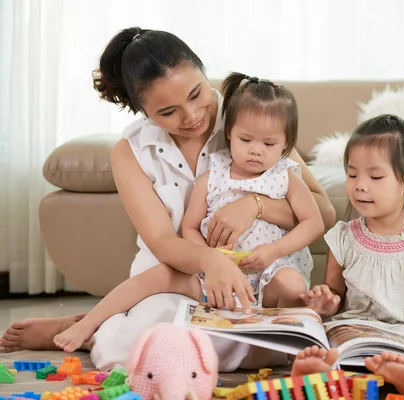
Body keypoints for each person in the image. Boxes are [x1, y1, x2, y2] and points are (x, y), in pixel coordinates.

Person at [0, 27, 335, 372]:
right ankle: (99, 326)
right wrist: (211, 261)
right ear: (142, 111)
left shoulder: (247, 118)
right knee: (136, 353)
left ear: (205, 74)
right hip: (180, 280)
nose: (191, 116)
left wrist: (254, 204)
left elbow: (321, 211)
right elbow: (161, 241)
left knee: (225, 344)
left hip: (260, 282)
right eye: (167, 112)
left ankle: (98, 324)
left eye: (196, 93)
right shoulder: (131, 152)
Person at [51, 71, 324, 353]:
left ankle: (292, 343)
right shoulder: (212, 176)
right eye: (245, 140)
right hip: (215, 274)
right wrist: (212, 260)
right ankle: (88, 324)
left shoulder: (285, 175)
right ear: (229, 133)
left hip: (271, 270)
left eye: (268, 144)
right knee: (156, 276)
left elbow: (314, 222)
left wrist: (273, 251)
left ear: (285, 145)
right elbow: (191, 227)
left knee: (291, 285)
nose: (256, 151)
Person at [300, 114, 404, 400]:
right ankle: (329, 376)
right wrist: (325, 302)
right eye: (352, 175)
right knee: (335, 349)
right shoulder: (343, 237)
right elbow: (334, 294)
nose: (360, 185)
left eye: (375, 176)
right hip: (360, 331)